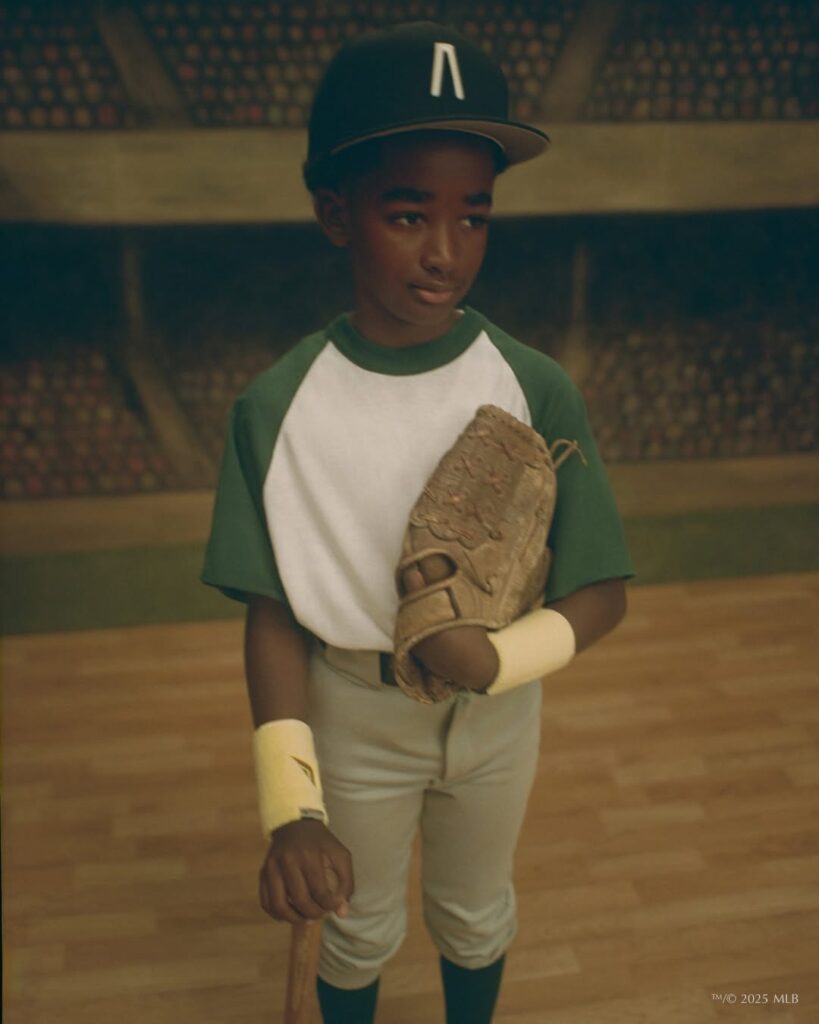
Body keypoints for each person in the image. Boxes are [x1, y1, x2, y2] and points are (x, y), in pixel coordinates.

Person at [202, 21, 634, 1024]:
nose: (445, 252)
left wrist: (497, 660)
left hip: (500, 712)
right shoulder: (276, 407)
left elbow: (602, 589)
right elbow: (273, 616)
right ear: (335, 213)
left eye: (473, 216)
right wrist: (292, 807)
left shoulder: (533, 386)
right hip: (354, 708)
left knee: (478, 914)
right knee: (354, 929)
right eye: (407, 214)